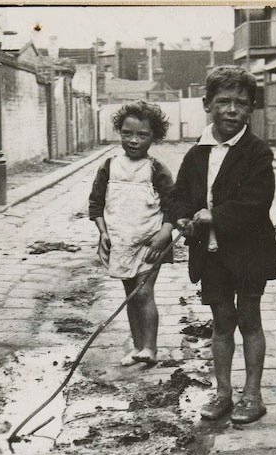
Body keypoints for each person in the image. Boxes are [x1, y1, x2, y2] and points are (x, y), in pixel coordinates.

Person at [171, 66, 276, 424]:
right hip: (212, 253)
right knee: (221, 321)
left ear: (252, 109)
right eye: (224, 102)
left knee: (249, 319)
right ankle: (222, 393)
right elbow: (179, 197)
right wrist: (183, 219)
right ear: (207, 104)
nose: (232, 110)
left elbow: (256, 202)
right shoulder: (196, 154)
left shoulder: (257, 153)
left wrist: (212, 215)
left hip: (250, 251)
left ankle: (253, 394)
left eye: (241, 103)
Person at [89, 101, 175, 366]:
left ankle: (150, 347)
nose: (134, 140)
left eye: (142, 135)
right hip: (121, 242)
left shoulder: (156, 170)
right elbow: (96, 203)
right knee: (131, 294)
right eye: (127, 133)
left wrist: (165, 233)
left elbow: (174, 206)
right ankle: (137, 346)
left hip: (151, 242)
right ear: (120, 132)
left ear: (154, 137)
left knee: (144, 293)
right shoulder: (109, 166)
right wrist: (103, 233)